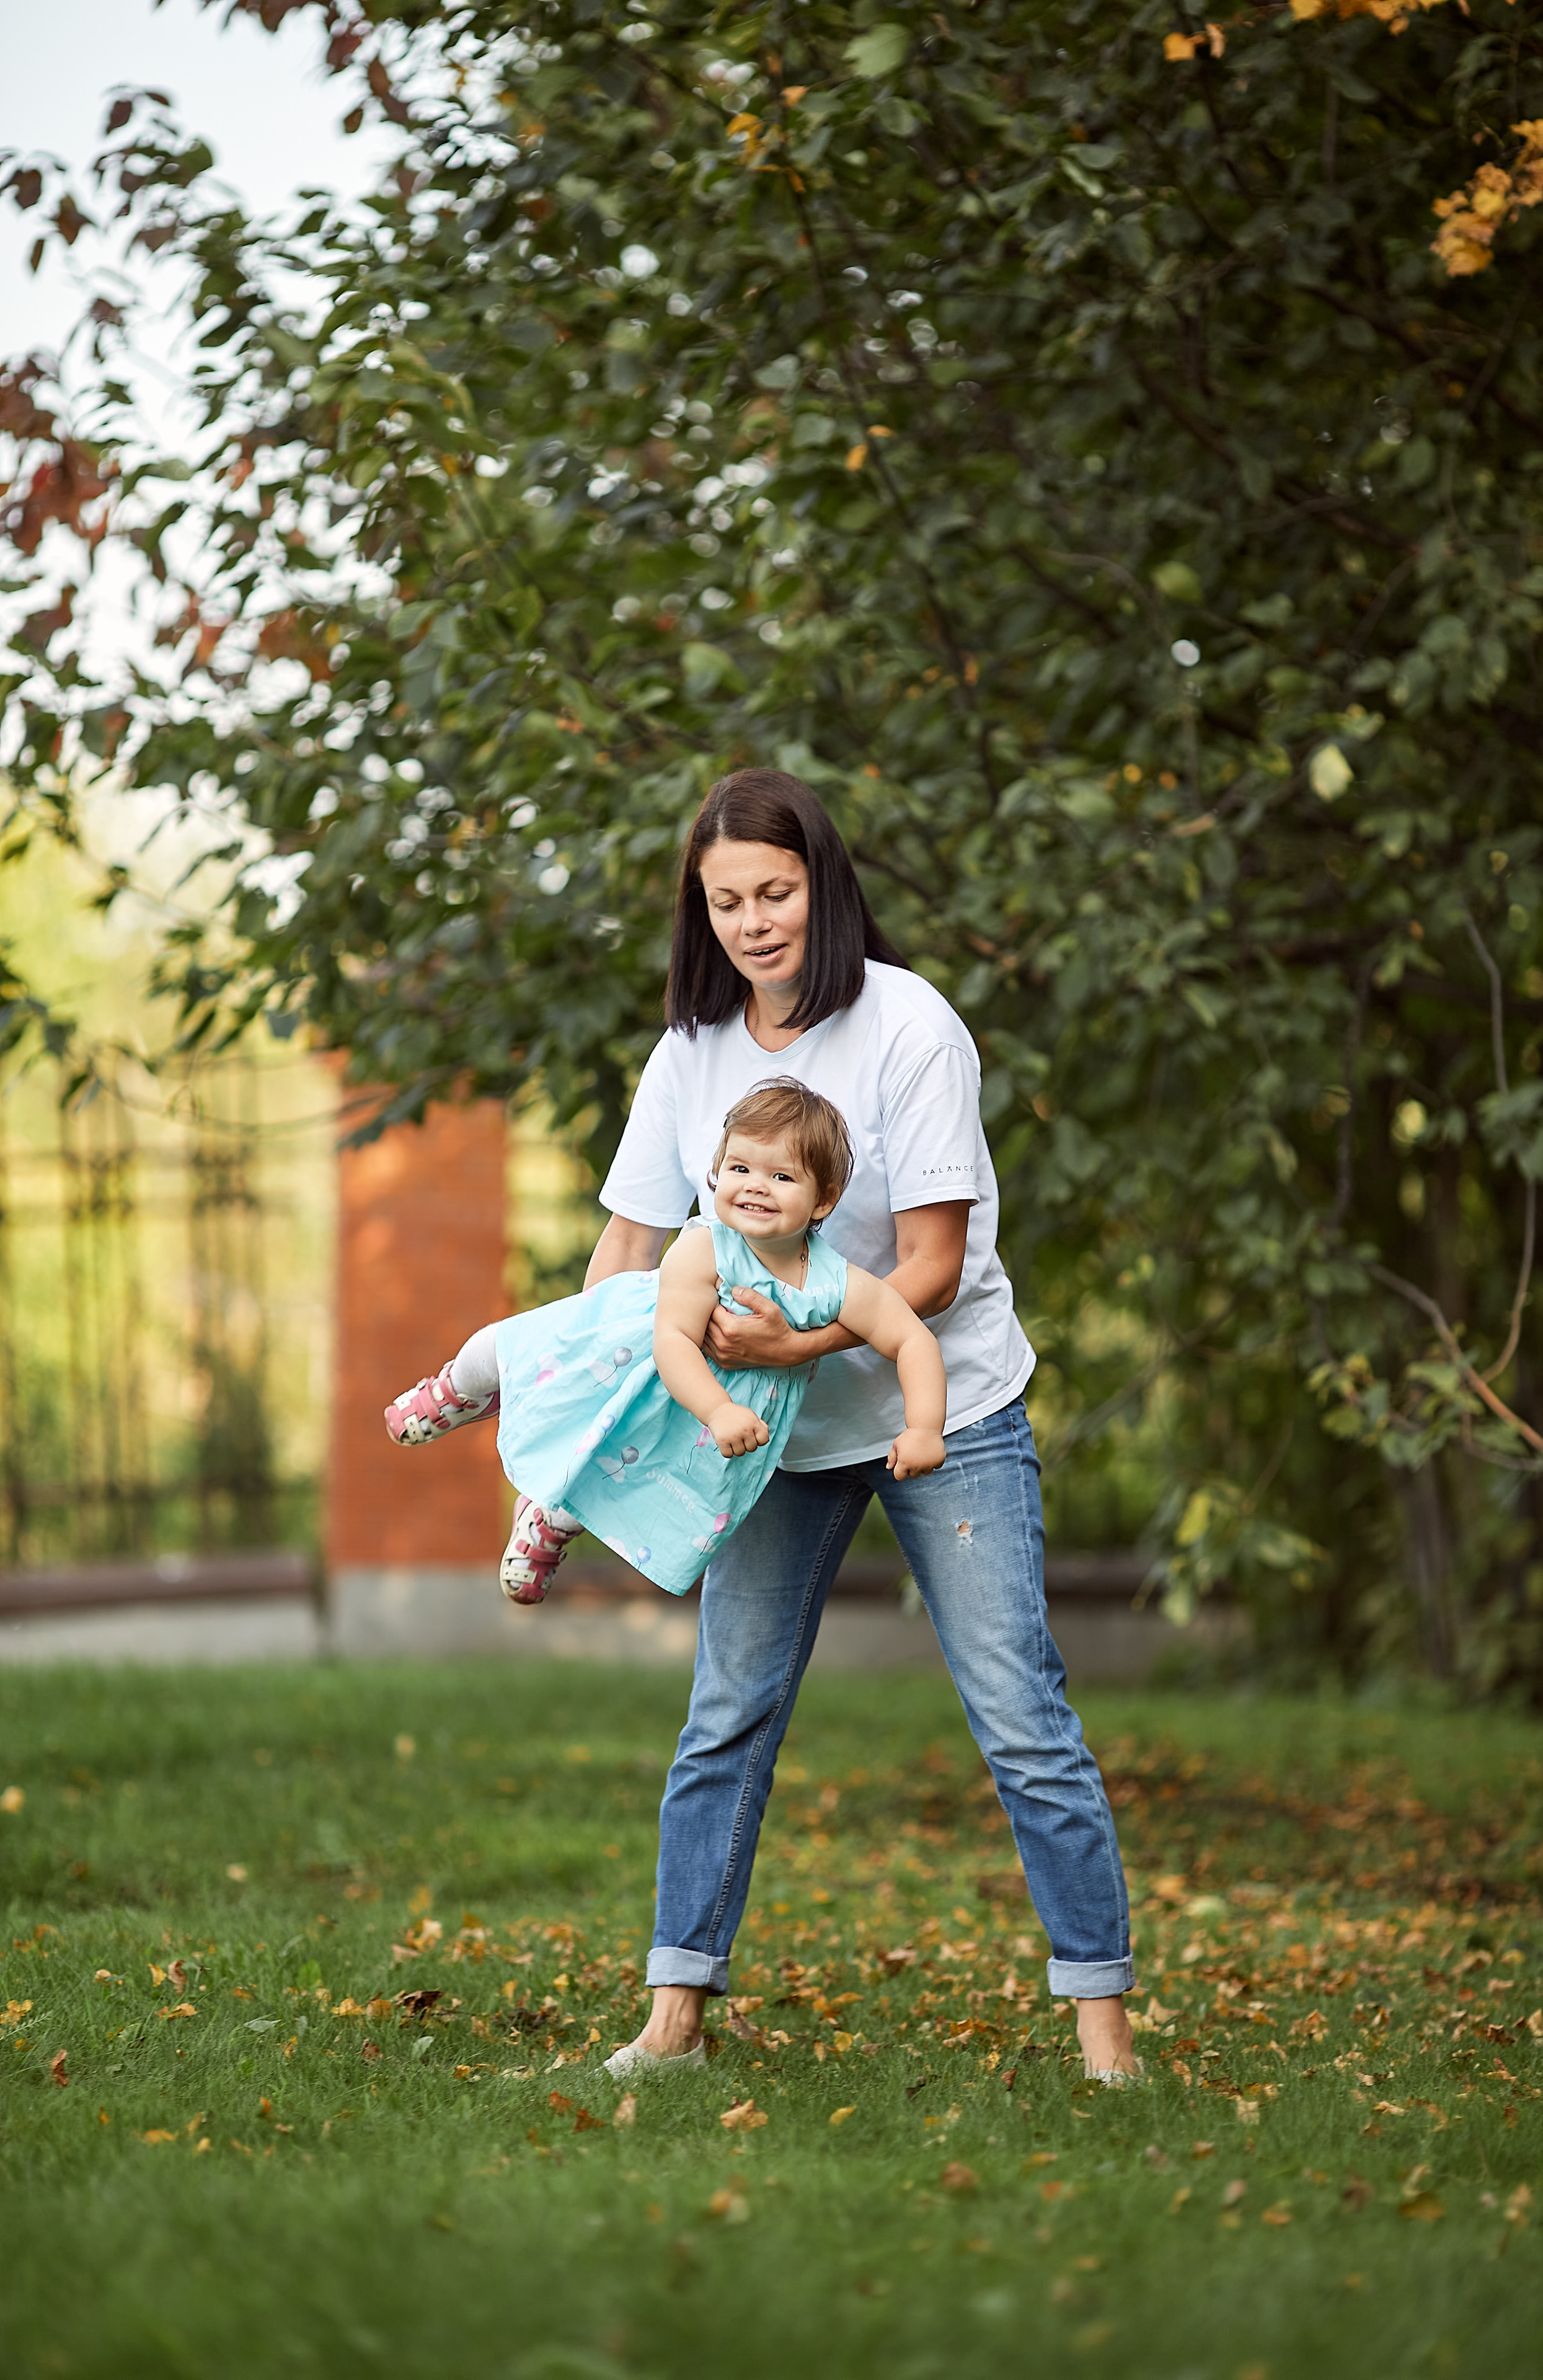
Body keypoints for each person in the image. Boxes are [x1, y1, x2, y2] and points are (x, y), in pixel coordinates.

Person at [593, 769, 1141, 2087]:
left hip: (938, 1407)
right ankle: (672, 2014)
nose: (750, 923)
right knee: (726, 1708)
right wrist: (578, 1397)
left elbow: (931, 1264)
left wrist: (795, 1341)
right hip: (767, 1432)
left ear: (821, 883)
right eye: (723, 901)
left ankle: (1102, 2026)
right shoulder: (692, 1050)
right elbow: (627, 1242)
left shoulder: (908, 1026)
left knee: (1016, 1710)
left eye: (773, 892)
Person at [384, 1079, 948, 1602]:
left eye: (782, 1177)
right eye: (740, 1167)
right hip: (631, 1357)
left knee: (625, 1468)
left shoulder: (833, 1280)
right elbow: (675, 1341)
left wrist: (924, 1427)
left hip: (693, 1420)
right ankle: (457, 1388)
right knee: (509, 1348)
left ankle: (548, 1519)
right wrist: (721, 1409)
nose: (755, 1185)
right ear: (716, 1173)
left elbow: (911, 1339)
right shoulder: (705, 1246)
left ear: (823, 1201)